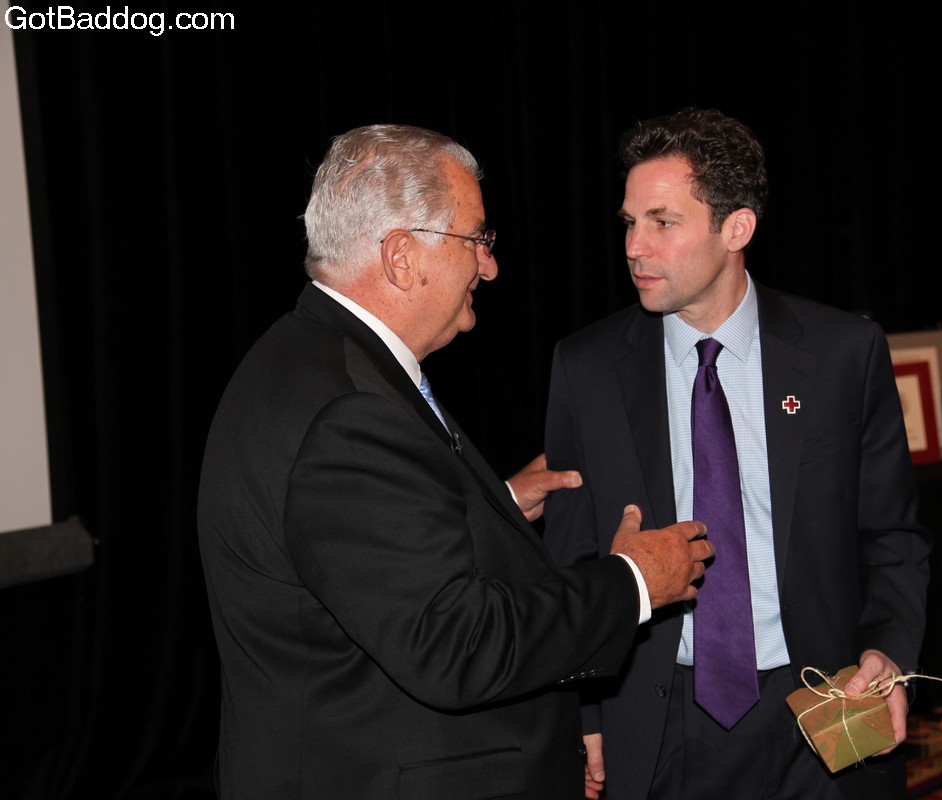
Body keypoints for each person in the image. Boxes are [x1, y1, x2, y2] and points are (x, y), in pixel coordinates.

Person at [196, 124, 714, 800]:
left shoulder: (306, 357)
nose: (489, 267)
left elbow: (366, 555)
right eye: (476, 239)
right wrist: (635, 581)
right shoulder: (349, 413)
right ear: (402, 257)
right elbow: (458, 646)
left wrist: (493, 504)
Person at [542, 108, 931, 800]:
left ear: (737, 229)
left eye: (663, 222)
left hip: (823, 704)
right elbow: (571, 556)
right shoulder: (587, 368)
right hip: (657, 716)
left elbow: (892, 534)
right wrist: (587, 709)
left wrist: (888, 652)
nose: (635, 247)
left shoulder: (843, 353)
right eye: (629, 222)